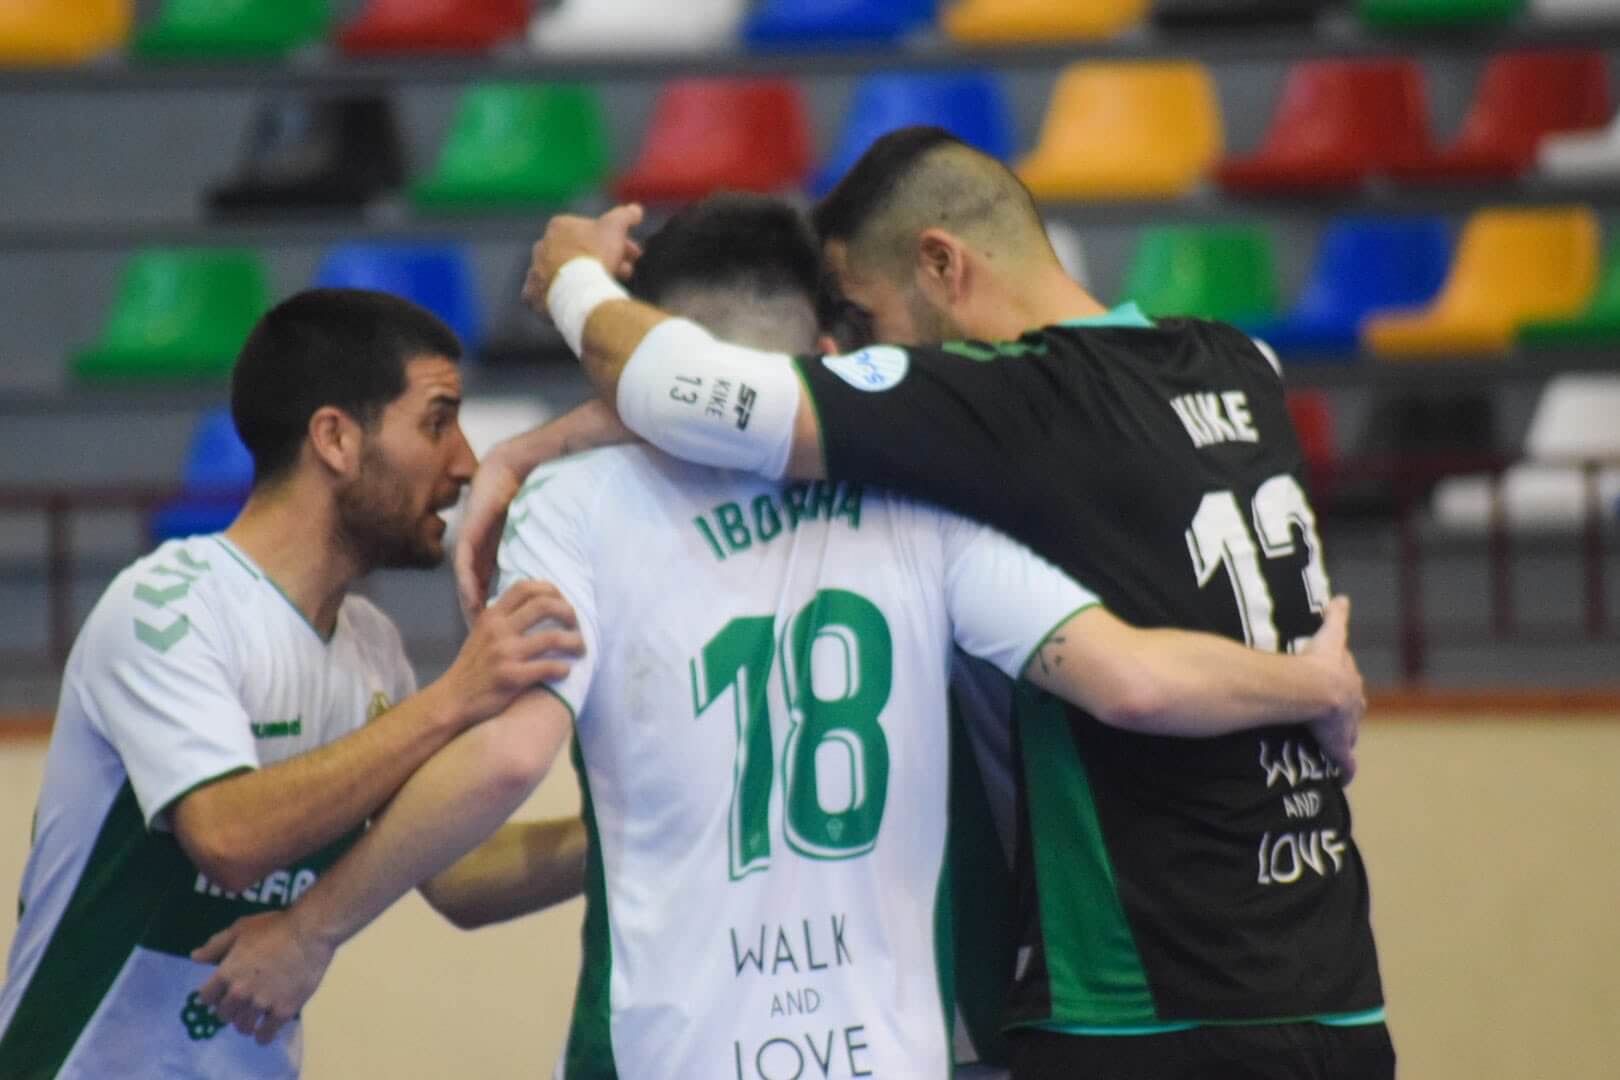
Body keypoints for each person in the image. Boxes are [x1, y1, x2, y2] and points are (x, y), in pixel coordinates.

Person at [193, 196, 1365, 1079]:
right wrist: (1305, 680)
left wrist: (310, 930)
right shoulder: (921, 495)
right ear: (822, 357)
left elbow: (502, 764)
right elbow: (1134, 677)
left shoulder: (579, 508)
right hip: (900, 1048)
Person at [514, 128, 1392, 1080]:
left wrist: (572, 279)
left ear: (941, 264)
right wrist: (1312, 684)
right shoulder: (1245, 365)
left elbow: (690, 389)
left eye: (864, 313)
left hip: (1144, 1000)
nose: (856, 349)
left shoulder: (1001, 406)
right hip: (1333, 978)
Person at [0, 288, 584, 1080]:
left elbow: (452, 876)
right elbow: (230, 839)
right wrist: (452, 700)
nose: (467, 464)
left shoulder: (371, 648)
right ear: (336, 439)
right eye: (437, 422)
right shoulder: (169, 605)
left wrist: (633, 836)